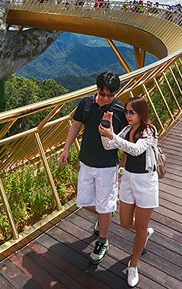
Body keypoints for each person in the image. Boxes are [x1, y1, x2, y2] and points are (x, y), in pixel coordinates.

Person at [59, 71, 128, 265]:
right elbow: (75, 125)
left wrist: (124, 160)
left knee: (104, 206)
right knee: (83, 201)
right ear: (97, 89)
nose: (105, 98)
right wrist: (66, 148)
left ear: (116, 92)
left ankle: (103, 240)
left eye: (110, 95)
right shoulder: (86, 103)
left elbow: (125, 138)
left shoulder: (119, 110)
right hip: (86, 161)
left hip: (107, 166)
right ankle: (105, 214)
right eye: (102, 93)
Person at [99, 96, 159, 287]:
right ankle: (144, 232)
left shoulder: (150, 131)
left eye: (132, 112)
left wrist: (113, 136)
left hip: (146, 182)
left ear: (141, 112)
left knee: (139, 227)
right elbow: (108, 145)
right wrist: (106, 129)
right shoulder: (127, 130)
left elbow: (135, 150)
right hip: (128, 179)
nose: (128, 115)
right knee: (125, 222)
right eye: (126, 111)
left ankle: (133, 265)